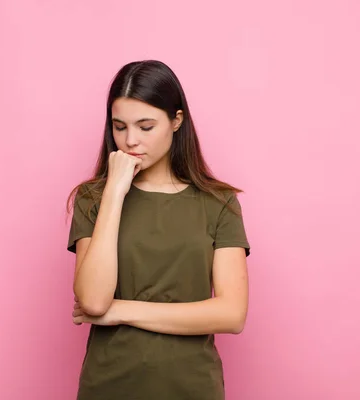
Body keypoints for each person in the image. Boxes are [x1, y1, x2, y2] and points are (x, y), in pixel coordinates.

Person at [66, 60, 250, 400]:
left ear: (176, 121)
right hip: (109, 386)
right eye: (119, 127)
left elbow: (231, 314)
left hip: (192, 388)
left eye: (145, 127)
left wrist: (120, 310)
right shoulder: (93, 199)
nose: (130, 140)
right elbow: (92, 300)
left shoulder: (218, 203)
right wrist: (115, 192)